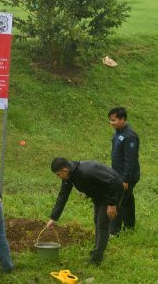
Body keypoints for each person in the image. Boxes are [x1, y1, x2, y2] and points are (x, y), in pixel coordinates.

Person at [46, 157, 124, 265]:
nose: (58, 177)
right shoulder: (69, 176)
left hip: (113, 190)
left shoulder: (85, 171)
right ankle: (96, 251)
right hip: (100, 194)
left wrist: (112, 204)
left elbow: (111, 182)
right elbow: (63, 196)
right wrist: (53, 218)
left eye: (58, 174)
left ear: (64, 170)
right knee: (97, 220)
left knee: (102, 223)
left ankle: (96, 259)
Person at [108, 106, 140, 235]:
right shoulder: (118, 132)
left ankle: (114, 231)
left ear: (123, 119)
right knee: (128, 199)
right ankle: (130, 225)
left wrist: (125, 180)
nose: (111, 123)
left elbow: (130, 160)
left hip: (127, 176)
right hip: (118, 174)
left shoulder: (130, 136)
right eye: (110, 120)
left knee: (118, 201)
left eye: (114, 120)